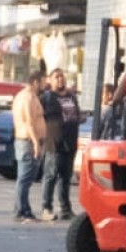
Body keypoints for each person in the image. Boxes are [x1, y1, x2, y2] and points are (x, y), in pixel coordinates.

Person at [41, 68, 82, 221]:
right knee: (51, 175)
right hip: (54, 142)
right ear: (49, 80)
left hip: (70, 142)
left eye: (62, 77)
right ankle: (47, 207)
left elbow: (77, 114)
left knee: (66, 177)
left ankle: (65, 208)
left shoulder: (71, 97)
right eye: (56, 77)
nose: (60, 79)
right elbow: (39, 116)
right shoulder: (46, 97)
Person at [11, 69, 48, 222]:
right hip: (27, 141)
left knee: (25, 178)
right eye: (44, 81)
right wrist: (35, 143)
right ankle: (21, 211)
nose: (45, 84)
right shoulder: (27, 98)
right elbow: (29, 121)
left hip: (27, 141)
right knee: (25, 178)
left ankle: (23, 209)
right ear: (36, 82)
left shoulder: (28, 96)